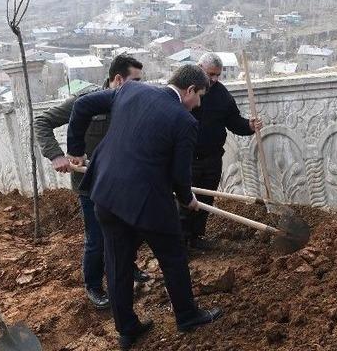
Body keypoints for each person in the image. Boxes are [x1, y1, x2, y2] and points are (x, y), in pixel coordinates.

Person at [66, 65, 222, 350]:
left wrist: (75, 148)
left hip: (106, 194)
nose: (198, 103)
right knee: (173, 255)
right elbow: (179, 176)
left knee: (117, 261)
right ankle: (187, 316)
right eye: (199, 95)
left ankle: (127, 329)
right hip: (146, 201)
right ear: (189, 91)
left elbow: (82, 105)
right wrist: (188, 199)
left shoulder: (130, 89)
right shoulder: (184, 121)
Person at [35, 54, 149, 310]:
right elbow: (42, 121)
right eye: (136, 81)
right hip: (92, 184)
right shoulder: (85, 102)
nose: (141, 86)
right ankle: (94, 286)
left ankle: (127, 268)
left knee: (131, 229)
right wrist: (56, 155)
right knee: (97, 237)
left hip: (125, 182)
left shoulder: (135, 103)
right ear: (118, 79)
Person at [181, 52, 262, 250]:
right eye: (211, 74)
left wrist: (249, 126)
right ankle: (181, 242)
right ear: (199, 68)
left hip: (212, 158)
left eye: (218, 75)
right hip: (188, 159)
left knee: (206, 199)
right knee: (184, 201)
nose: (214, 79)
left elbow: (233, 121)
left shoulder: (221, 94)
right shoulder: (186, 91)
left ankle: (196, 238)